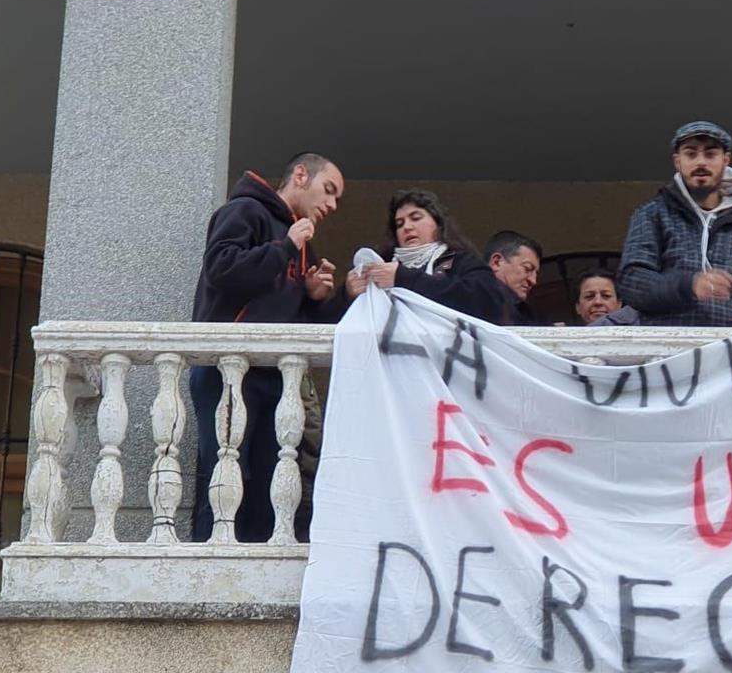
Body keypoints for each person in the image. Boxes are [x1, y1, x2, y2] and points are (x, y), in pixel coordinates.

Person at [190, 152, 349, 543]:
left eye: (337, 200)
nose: (331, 205)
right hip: (227, 370)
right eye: (328, 191)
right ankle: (212, 567)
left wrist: (319, 295)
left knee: (268, 479)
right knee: (225, 475)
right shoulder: (246, 210)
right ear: (299, 175)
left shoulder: (298, 237)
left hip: (273, 376)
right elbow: (222, 269)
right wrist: (286, 248)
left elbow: (293, 322)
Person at [617, 121, 732, 328]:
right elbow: (632, 282)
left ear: (726, 160)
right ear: (677, 161)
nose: (701, 162)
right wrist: (689, 285)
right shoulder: (652, 214)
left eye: (710, 154)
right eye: (691, 154)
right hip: (668, 349)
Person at [345, 189, 505, 321]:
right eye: (399, 224)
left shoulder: (460, 261)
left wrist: (402, 278)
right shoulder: (382, 265)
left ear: (438, 224)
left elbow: (488, 303)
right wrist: (346, 295)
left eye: (416, 218)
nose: (407, 227)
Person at [482, 230, 544, 326]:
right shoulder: (472, 299)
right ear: (497, 262)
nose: (533, 281)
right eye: (527, 268)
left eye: (536, 274)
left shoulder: (524, 311)